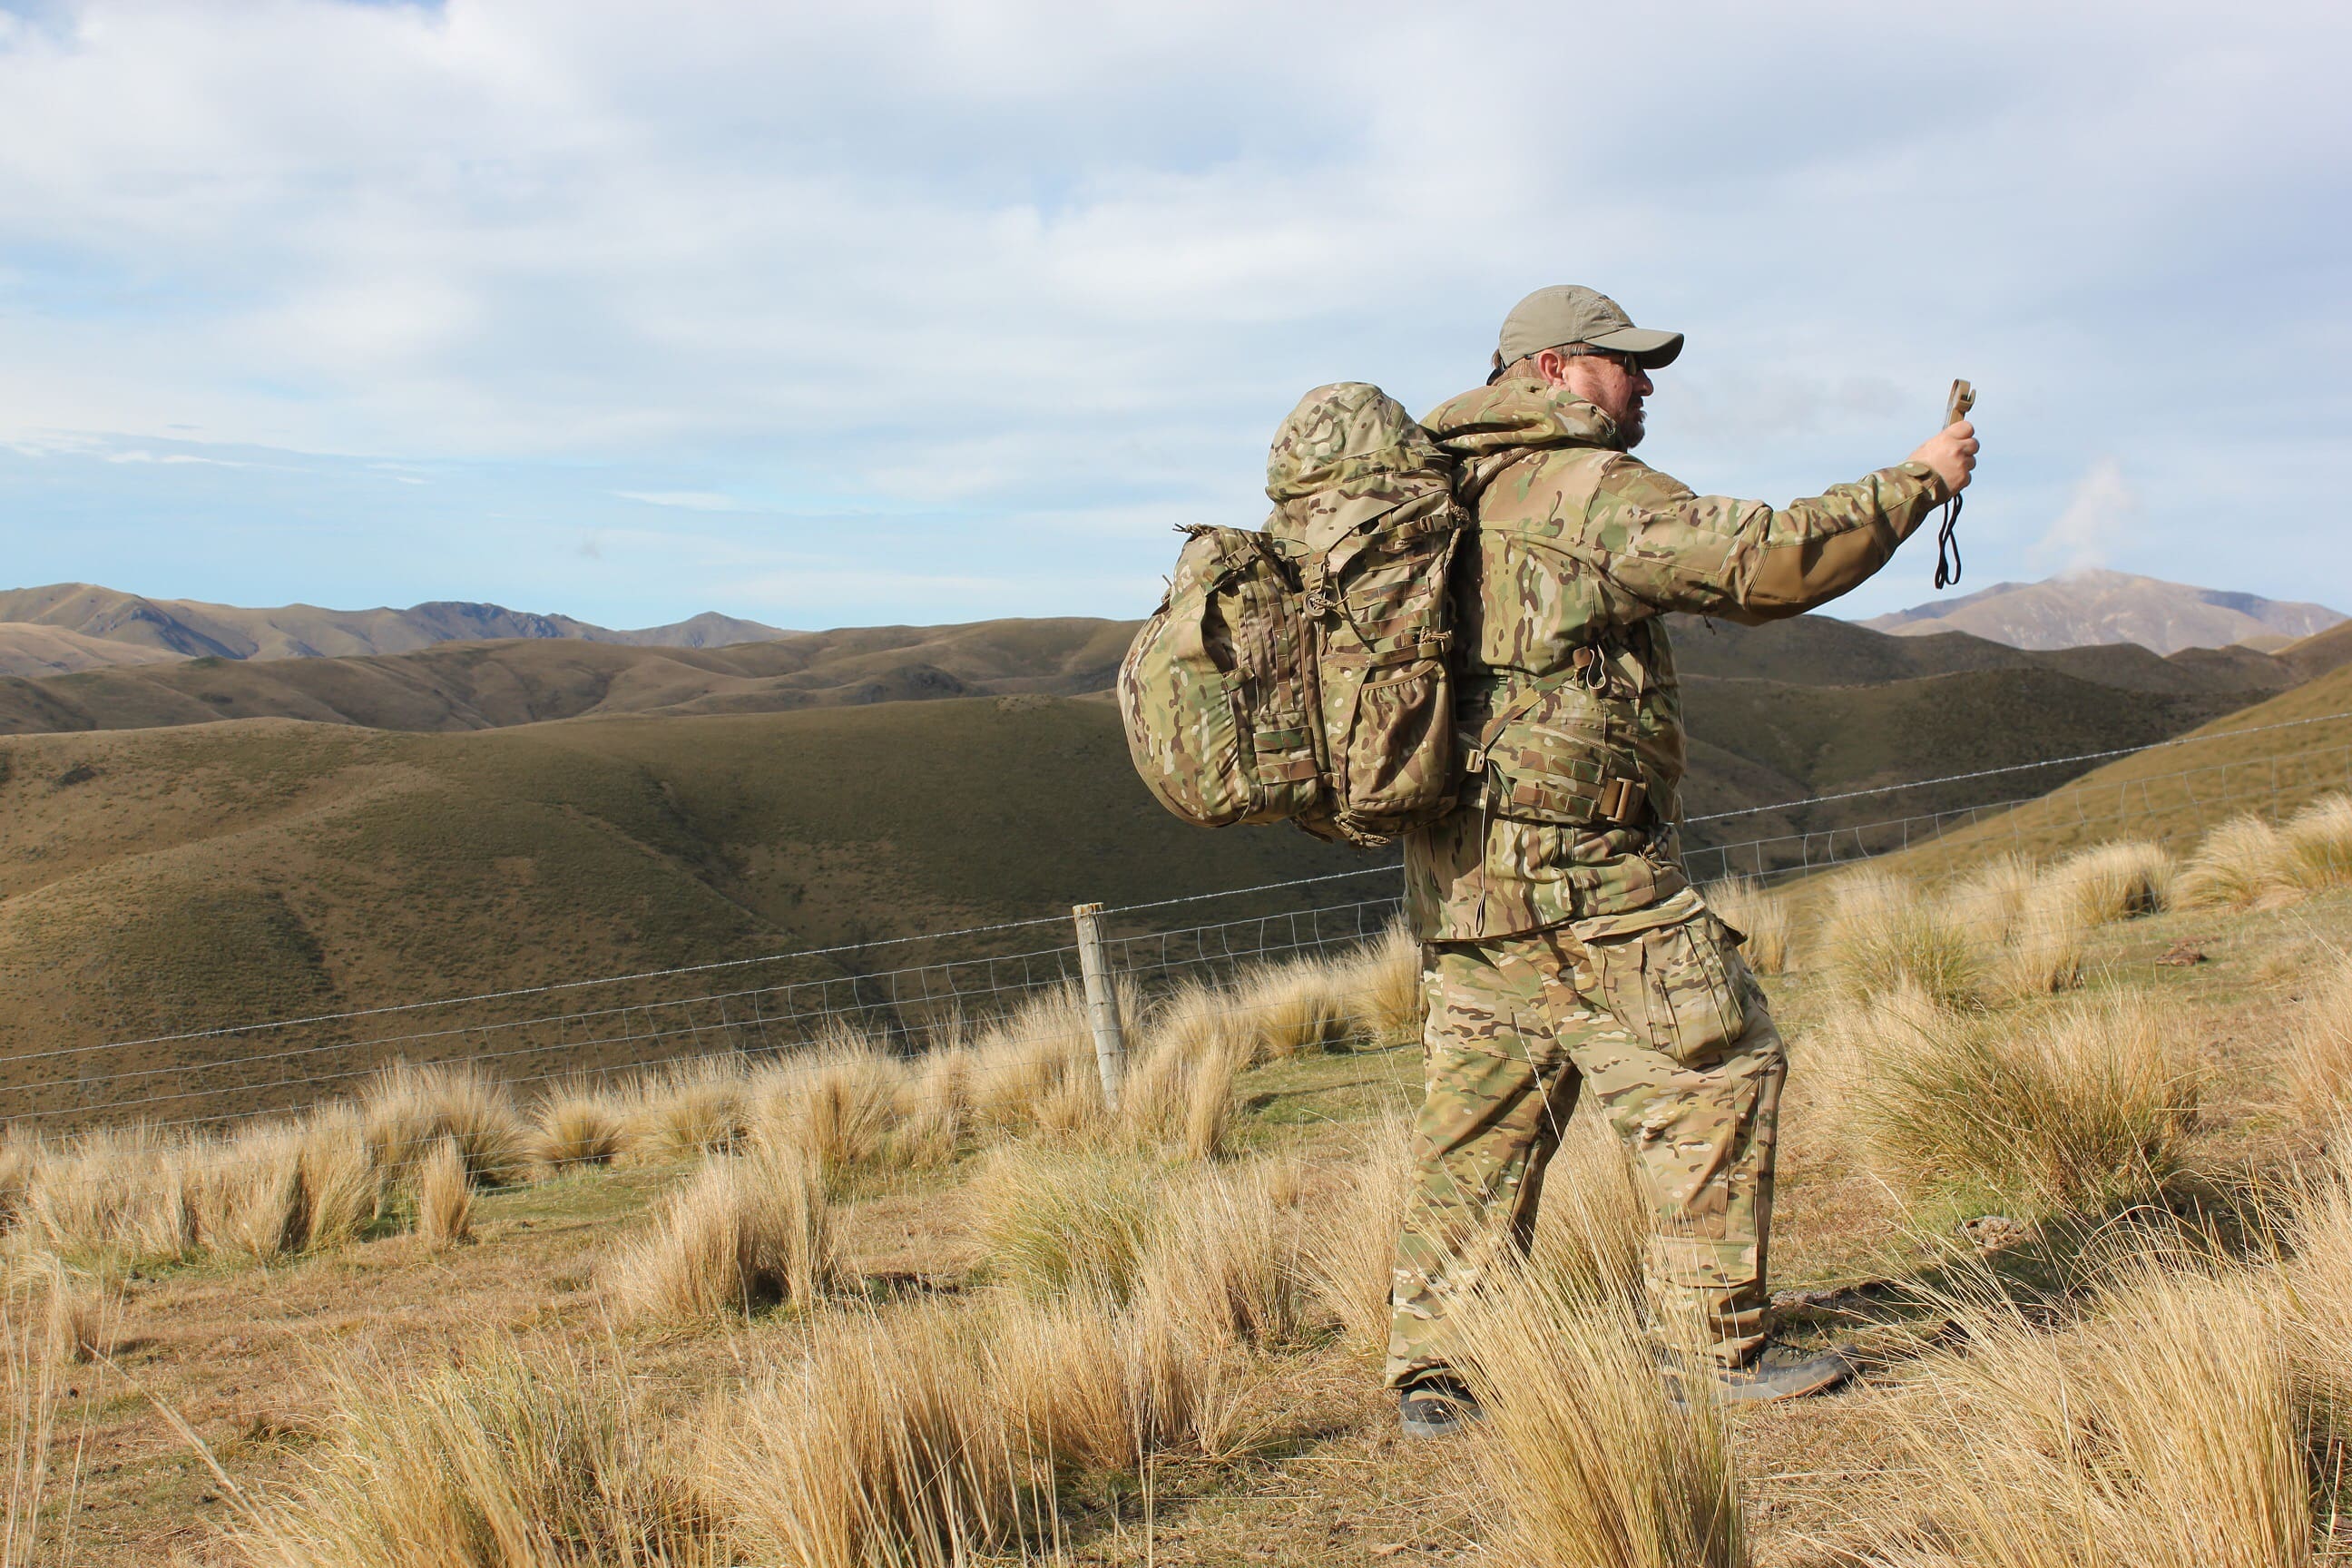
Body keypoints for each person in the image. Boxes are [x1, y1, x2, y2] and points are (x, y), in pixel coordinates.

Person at [1388, 284, 1979, 1438]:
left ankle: (1440, 1374)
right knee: (1718, 1068)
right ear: (1553, 369)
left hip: (1458, 882)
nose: (1645, 382)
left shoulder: (1435, 496)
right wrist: (1916, 484)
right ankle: (1713, 1350)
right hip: (1582, 874)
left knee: (1480, 1118)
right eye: (1623, 363)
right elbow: (1768, 563)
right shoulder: (1582, 488)